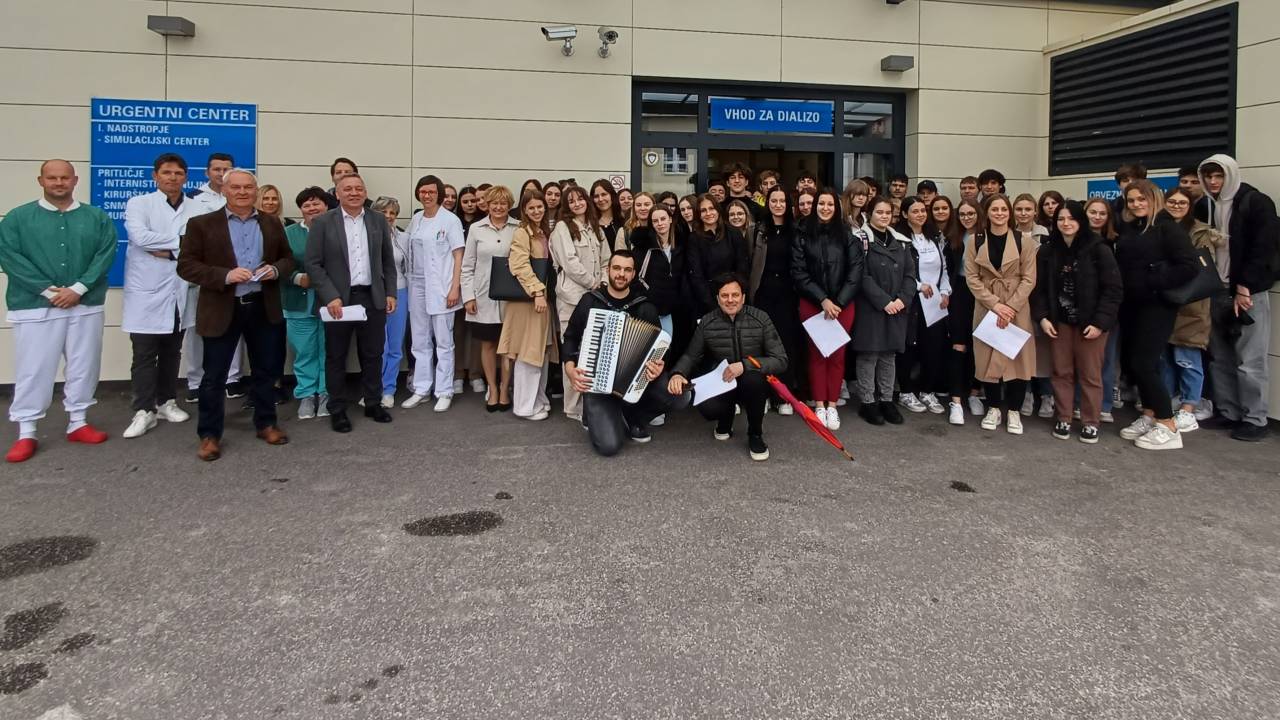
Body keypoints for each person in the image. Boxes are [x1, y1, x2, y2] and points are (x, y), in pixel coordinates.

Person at [0, 159, 116, 463]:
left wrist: (78, 288)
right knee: (34, 367)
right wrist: (49, 291)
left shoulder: (96, 217)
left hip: (85, 303)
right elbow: (10, 257)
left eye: (64, 177)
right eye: (52, 178)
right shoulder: (18, 218)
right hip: (36, 305)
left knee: (84, 364)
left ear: (75, 180)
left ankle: (78, 422)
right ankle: (27, 431)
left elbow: (105, 254)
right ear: (41, 181)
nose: (59, 183)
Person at [177, 169, 294, 461]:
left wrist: (275, 269)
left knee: (265, 370)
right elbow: (186, 266)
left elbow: (288, 259)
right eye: (236, 187)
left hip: (262, 305)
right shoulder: (201, 224)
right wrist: (225, 275)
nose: (242, 192)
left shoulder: (271, 222)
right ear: (225, 190)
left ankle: (266, 423)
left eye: (248, 187)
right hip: (222, 307)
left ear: (255, 191)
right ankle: (209, 435)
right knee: (214, 376)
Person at [562, 250, 688, 455]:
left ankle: (634, 418)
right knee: (609, 447)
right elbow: (571, 337)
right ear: (608, 270)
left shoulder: (644, 306)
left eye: (627, 270)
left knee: (680, 396)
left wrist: (660, 364)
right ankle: (596, 414)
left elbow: (661, 347)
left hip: (635, 384)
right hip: (598, 385)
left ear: (634, 274)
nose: (621, 274)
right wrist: (570, 369)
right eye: (617, 268)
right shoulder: (591, 301)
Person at [305, 173, 399, 431]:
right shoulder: (323, 222)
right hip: (338, 300)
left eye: (359, 188)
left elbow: (387, 261)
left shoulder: (378, 220)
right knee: (336, 356)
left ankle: (372, 402)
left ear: (365, 192)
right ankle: (337, 408)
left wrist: (390, 292)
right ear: (337, 194)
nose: (354, 193)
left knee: (373, 354)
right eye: (348, 189)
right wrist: (330, 295)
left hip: (372, 297)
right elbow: (313, 264)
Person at [1114, 179, 1199, 450]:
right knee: (1135, 363)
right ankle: (1150, 415)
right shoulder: (1132, 227)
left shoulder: (1167, 227)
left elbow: (1189, 266)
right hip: (1132, 305)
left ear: (1154, 199)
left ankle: (1168, 424)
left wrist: (1153, 281)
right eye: (1131, 200)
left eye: (1142, 199)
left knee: (1144, 363)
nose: (1136, 204)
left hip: (1157, 306)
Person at [1199, 154, 1279, 441]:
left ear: (1230, 174)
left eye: (1218, 176)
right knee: (1219, 356)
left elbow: (1264, 248)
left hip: (1246, 292)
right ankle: (1228, 411)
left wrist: (1244, 286)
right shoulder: (1207, 205)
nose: (1213, 181)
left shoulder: (1256, 203)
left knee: (1250, 359)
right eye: (1208, 176)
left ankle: (1255, 419)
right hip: (1215, 289)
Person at [1031, 201, 1123, 444]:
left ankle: (1091, 422)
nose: (1066, 223)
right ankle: (1064, 417)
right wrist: (1042, 317)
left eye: (1071, 218)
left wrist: (1100, 323)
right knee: (1061, 372)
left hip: (1090, 323)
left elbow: (1113, 290)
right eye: (1061, 219)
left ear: (1081, 221)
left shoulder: (1098, 249)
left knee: (1090, 374)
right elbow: (1038, 290)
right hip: (1058, 322)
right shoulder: (1048, 251)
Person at [669, 273, 786, 461]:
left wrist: (745, 365)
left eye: (735, 295)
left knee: (754, 381)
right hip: (723, 380)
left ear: (743, 297)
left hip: (752, 378)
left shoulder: (761, 318)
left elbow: (780, 360)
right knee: (707, 407)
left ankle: (755, 434)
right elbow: (691, 355)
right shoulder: (707, 322)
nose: (730, 300)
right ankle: (726, 417)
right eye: (724, 295)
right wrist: (677, 373)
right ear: (717, 299)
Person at [121, 153, 197, 439]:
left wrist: (170, 251)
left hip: (180, 289)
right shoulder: (139, 204)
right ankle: (143, 410)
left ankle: (166, 402)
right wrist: (182, 243)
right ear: (155, 176)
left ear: (185, 176)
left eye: (178, 173)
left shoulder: (196, 207)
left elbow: (201, 244)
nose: (172, 177)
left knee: (172, 351)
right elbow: (140, 237)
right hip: (146, 292)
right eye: (166, 172)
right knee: (143, 354)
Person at [965, 194, 1037, 435]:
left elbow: (1029, 278)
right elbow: (972, 278)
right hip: (987, 305)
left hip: (1017, 305)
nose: (999, 213)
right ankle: (994, 407)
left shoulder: (1024, 241)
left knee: (1017, 359)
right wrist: (995, 305)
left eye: (1003, 209)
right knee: (987, 358)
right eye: (994, 209)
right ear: (987, 212)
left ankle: (1014, 411)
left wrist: (1011, 307)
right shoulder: (975, 240)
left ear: (1010, 212)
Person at [794, 189, 863, 429]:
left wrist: (839, 302)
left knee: (836, 355)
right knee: (816, 355)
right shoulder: (802, 235)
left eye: (830, 204)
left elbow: (856, 272)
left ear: (837, 208)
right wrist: (822, 299)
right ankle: (819, 405)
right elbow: (799, 272)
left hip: (843, 306)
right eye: (821, 204)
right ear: (815, 207)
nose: (825, 208)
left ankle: (832, 405)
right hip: (812, 304)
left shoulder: (847, 235)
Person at [182, 152, 245, 402]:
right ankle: (195, 380)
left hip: (235, 274)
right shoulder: (193, 198)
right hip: (205, 275)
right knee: (198, 328)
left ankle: (232, 378)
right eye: (217, 169)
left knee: (234, 324)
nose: (221, 173)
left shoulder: (239, 197)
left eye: (226, 169)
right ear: (207, 172)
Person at [1161, 186, 1224, 433]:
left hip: (1192, 304)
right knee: (1165, 360)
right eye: (1172, 202)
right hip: (1164, 301)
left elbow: (1203, 267)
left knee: (1187, 358)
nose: (1176, 206)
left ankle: (1188, 408)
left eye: (1182, 203)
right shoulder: (1158, 227)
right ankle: (1166, 404)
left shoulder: (1200, 232)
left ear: (1190, 206)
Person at [401, 174, 463, 413]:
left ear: (439, 194)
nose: (427, 196)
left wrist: (455, 287)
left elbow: (458, 254)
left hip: (441, 286)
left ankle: (444, 390)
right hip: (417, 284)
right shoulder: (416, 219)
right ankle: (422, 388)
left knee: (444, 341)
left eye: (431, 192)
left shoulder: (450, 220)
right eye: (423, 191)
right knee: (419, 340)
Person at [850, 197, 914, 426]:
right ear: (870, 214)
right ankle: (868, 402)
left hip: (897, 307)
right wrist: (884, 301)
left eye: (888, 213)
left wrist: (902, 300)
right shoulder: (860, 240)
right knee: (869, 355)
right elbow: (861, 275)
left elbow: (910, 275)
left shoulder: (902, 242)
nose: (884, 216)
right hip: (872, 307)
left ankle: (887, 400)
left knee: (889, 355)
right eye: (879, 212)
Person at [549, 184, 608, 422]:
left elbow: (606, 259)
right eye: (571, 201)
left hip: (596, 297)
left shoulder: (595, 226)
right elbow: (570, 263)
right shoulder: (562, 228)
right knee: (572, 352)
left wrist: (603, 283)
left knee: (592, 350)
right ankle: (573, 407)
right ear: (566, 206)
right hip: (572, 298)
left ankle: (591, 401)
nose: (577, 204)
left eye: (580, 199)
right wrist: (593, 283)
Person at [499, 190, 556, 421]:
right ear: (524, 210)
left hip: (541, 300)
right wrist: (537, 292)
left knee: (541, 352)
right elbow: (519, 265)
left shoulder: (543, 232)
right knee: (528, 353)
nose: (536, 211)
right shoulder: (522, 232)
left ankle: (538, 399)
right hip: (529, 301)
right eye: (531, 207)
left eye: (539, 206)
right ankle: (524, 406)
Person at [461, 185, 517, 411]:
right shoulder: (476, 229)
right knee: (488, 344)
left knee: (507, 346)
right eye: (495, 203)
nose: (499, 207)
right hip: (483, 296)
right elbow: (467, 266)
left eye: (503, 203)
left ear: (509, 205)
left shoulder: (518, 228)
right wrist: (468, 296)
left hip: (511, 297)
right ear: (487, 205)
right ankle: (492, 388)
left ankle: (504, 388)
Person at [749, 188, 804, 415]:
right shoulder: (758, 230)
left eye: (782, 200)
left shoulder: (797, 230)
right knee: (761, 344)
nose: (778, 204)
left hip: (788, 295)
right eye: (774, 200)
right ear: (767, 202)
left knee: (785, 345)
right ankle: (762, 394)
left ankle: (783, 397)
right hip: (763, 293)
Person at [895, 196, 951, 416]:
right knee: (909, 346)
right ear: (904, 214)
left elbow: (943, 268)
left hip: (935, 301)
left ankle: (928, 391)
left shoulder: (935, 237)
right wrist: (918, 285)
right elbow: (899, 270)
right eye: (914, 211)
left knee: (933, 347)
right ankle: (906, 392)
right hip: (912, 300)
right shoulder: (900, 239)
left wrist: (945, 291)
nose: (920, 215)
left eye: (922, 211)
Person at [281, 187, 333, 420]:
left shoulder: (337, 230)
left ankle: (326, 393)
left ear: (326, 206)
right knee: (304, 352)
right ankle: (306, 394)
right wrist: (296, 278)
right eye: (307, 205)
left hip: (331, 302)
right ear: (301, 209)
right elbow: (277, 264)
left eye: (317, 203)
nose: (312, 208)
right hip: (298, 302)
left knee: (329, 350)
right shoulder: (289, 234)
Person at [634, 205, 692, 366]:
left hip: (676, 307)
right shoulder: (644, 247)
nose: (660, 224)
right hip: (653, 307)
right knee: (655, 351)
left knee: (672, 349)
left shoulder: (681, 244)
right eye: (655, 221)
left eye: (663, 219)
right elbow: (636, 276)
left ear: (670, 219)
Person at [1013, 192, 1053, 419]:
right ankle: (1025, 392)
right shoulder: (1008, 233)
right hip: (1017, 297)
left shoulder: (1045, 235)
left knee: (1043, 349)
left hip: (1040, 296)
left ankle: (1046, 394)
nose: (1023, 213)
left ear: (1035, 211)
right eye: (1019, 209)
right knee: (1020, 347)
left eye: (1028, 209)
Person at [942, 197, 982, 423]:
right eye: (963, 214)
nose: (967, 218)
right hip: (959, 292)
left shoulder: (987, 236)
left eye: (971, 214)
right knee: (959, 345)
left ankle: (974, 393)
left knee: (979, 345)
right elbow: (947, 269)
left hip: (983, 294)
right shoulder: (953, 238)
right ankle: (956, 401)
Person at [1084, 196, 1122, 422]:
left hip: (1107, 310)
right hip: (1082, 310)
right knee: (1084, 362)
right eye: (1092, 212)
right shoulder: (1077, 240)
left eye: (1102, 213)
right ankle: (1081, 404)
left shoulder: (1115, 242)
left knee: (1106, 359)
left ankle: (1104, 404)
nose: (1097, 217)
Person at [373, 196, 409, 408]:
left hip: (400, 292)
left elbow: (408, 267)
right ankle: (373, 388)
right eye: (383, 212)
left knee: (395, 344)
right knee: (378, 345)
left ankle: (389, 389)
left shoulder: (403, 238)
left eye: (392, 213)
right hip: (374, 294)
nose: (388, 216)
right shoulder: (367, 235)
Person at [689, 194, 750, 317]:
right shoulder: (694, 239)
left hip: (734, 298)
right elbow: (696, 275)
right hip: (708, 301)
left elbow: (742, 267)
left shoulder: (733, 233)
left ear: (717, 210)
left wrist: (734, 296)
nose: (708, 213)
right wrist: (711, 304)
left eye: (711, 208)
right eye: (703, 210)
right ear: (698, 214)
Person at [590, 179, 623, 250]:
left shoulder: (622, 221)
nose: (600, 199)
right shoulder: (589, 223)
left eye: (604, 194)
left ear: (612, 195)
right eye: (596, 196)